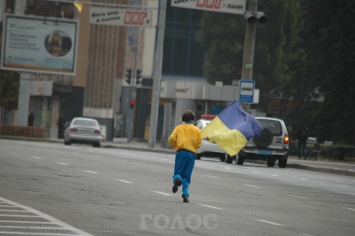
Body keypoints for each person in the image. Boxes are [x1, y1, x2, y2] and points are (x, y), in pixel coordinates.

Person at [168, 110, 202, 203]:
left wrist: (175, 145)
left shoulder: (178, 128)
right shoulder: (197, 130)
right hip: (191, 154)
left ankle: (177, 179)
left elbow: (171, 138)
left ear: (183, 119)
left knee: (178, 171)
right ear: (192, 118)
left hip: (181, 152)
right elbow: (199, 144)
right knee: (187, 174)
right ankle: (185, 194)